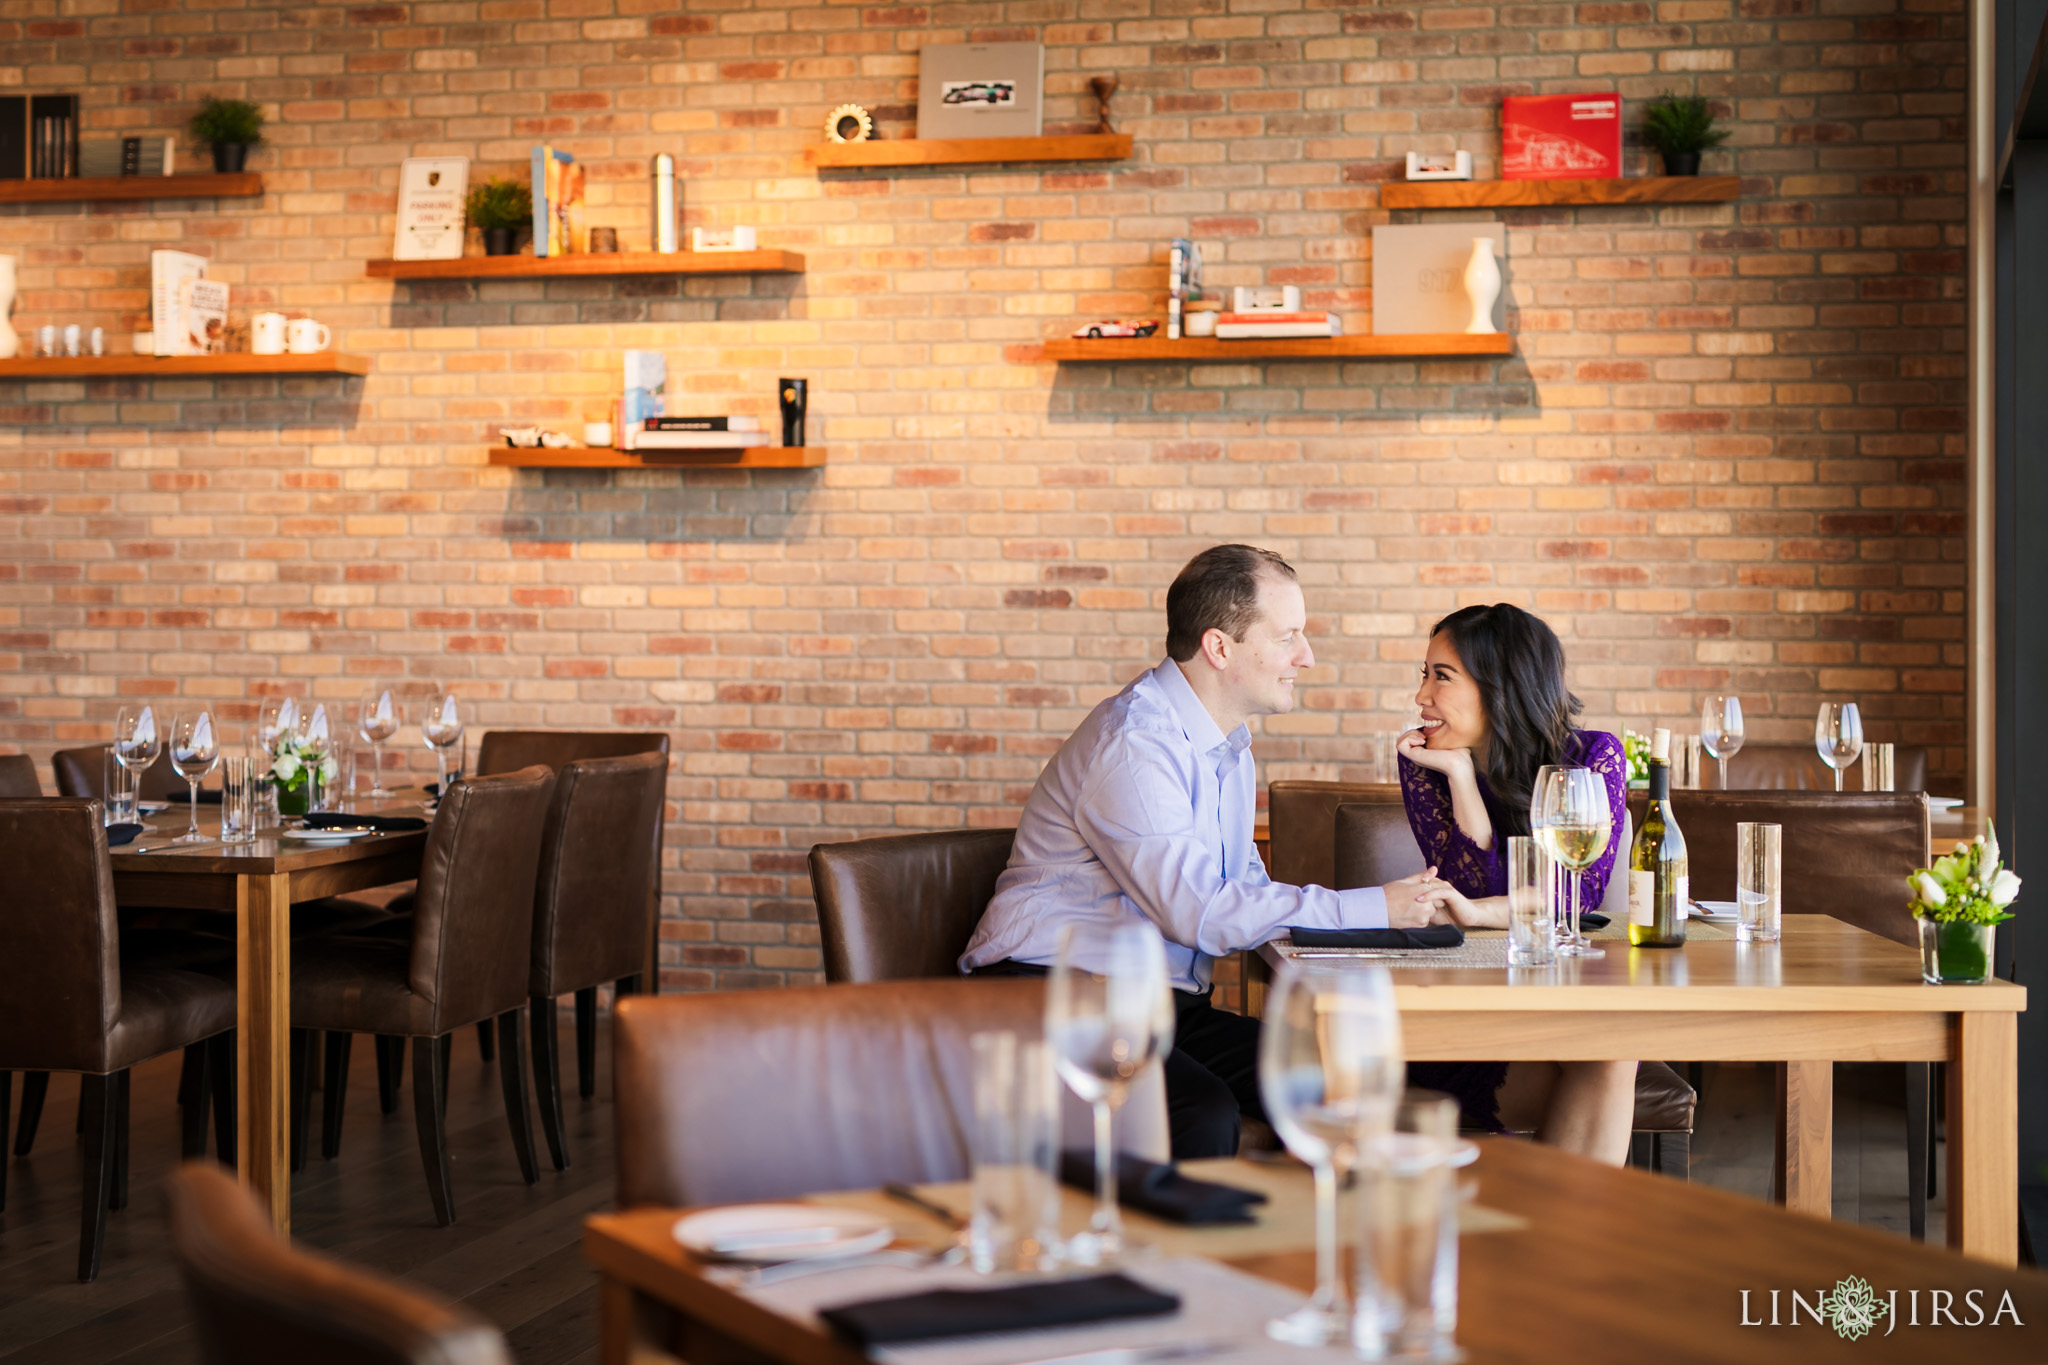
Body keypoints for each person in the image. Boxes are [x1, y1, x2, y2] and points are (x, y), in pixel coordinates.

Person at [961, 545, 1447, 1158]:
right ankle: (1144, 1254)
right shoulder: (1135, 745)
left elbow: (1245, 891)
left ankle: (1306, 1248)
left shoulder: (1226, 745)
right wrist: (1374, 906)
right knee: (1202, 1113)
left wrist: (1390, 921)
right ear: (1220, 648)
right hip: (1047, 998)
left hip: (1157, 1005)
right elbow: (1201, 914)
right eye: (1288, 637)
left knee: (1342, 1082)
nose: (1307, 656)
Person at [1395, 602, 1638, 1164]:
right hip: (1474, 1007)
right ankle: (1557, 1240)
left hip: (1566, 999)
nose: (1421, 696)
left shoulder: (1594, 757)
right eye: (1424, 674)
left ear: (1499, 685)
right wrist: (1460, 777)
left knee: (1614, 1047)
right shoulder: (1428, 763)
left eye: (1441, 676)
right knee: (1614, 1053)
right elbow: (1471, 888)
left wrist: (1482, 914)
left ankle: (1545, 1239)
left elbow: (1576, 895)